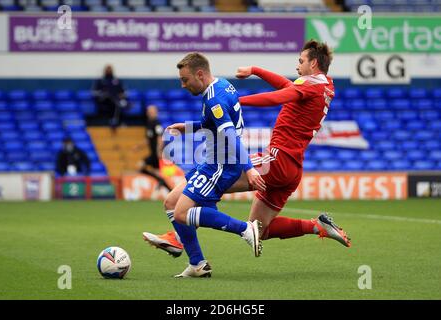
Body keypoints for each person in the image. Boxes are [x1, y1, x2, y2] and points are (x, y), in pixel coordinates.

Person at [142, 40, 351, 275]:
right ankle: (316, 226)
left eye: (301, 61)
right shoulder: (324, 85)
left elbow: (277, 97)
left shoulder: (308, 86)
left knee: (203, 185)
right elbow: (285, 86)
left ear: (313, 63)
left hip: (275, 161)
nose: (297, 66)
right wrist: (255, 70)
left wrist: (236, 102)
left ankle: (180, 239)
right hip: (291, 169)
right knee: (260, 229)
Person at [144, 52, 267, 278]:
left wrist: (248, 168)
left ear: (199, 74)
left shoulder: (214, 99)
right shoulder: (222, 85)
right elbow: (213, 124)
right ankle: (197, 264)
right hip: (211, 162)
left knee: (182, 213)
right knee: (171, 203)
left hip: (221, 165)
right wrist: (188, 127)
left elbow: (230, 135)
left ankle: (245, 229)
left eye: (185, 79)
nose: (182, 85)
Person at [135, 104, 172, 192]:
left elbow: (160, 137)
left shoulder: (156, 123)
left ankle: (164, 184)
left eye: (151, 111)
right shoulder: (149, 123)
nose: (149, 113)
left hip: (156, 153)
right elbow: (149, 139)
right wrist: (139, 146)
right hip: (152, 153)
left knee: (140, 166)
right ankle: (166, 186)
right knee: (156, 173)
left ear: (155, 112)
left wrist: (159, 150)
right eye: (148, 112)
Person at [91, 64, 129, 129]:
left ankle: (116, 122)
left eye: (110, 69)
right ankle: (114, 121)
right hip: (104, 100)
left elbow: (123, 92)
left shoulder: (117, 80)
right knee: (113, 101)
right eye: (107, 69)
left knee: (118, 103)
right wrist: (102, 94)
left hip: (115, 99)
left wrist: (121, 95)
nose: (109, 70)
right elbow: (94, 92)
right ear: (104, 71)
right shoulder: (101, 81)